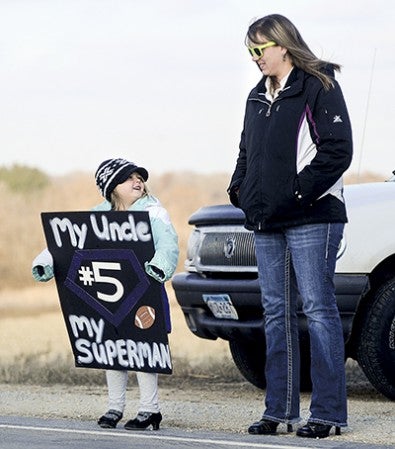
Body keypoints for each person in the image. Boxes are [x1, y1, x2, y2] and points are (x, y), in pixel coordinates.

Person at [227, 15, 352, 439]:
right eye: (250, 50)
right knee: (276, 312)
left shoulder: (318, 84)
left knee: (318, 310)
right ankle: (279, 411)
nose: (254, 57)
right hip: (267, 220)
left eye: (258, 48)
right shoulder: (256, 96)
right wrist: (239, 189)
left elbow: (337, 151)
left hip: (313, 215)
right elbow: (248, 150)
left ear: (282, 44)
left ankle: (329, 414)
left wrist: (296, 193)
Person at [32, 158, 179, 431]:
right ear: (112, 187)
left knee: (144, 349)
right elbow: (68, 243)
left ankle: (150, 409)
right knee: (112, 350)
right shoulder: (97, 216)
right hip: (108, 296)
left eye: (139, 177)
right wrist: (46, 261)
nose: (138, 181)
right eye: (128, 178)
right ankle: (115, 406)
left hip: (144, 293)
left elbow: (168, 243)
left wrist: (159, 266)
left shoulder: (154, 212)